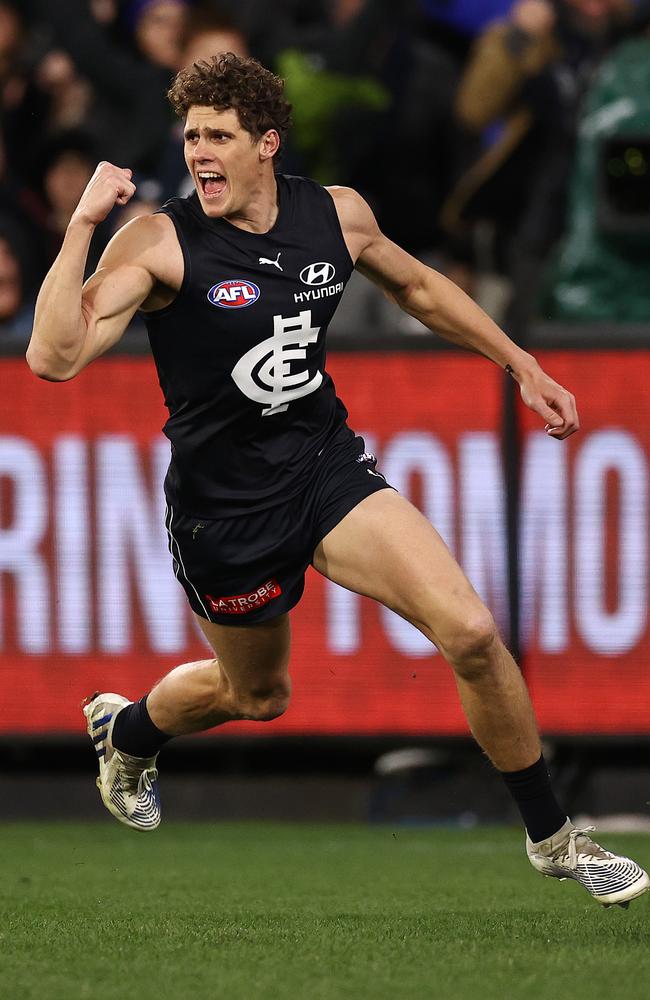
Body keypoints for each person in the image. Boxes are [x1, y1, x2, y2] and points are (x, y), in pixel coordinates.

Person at [26, 53, 647, 908]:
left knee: (468, 630)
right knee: (258, 694)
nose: (199, 151)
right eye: (191, 134)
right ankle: (128, 732)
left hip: (324, 468)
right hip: (225, 511)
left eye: (219, 136)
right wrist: (84, 223)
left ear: (266, 145)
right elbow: (53, 356)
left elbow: (421, 287)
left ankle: (553, 838)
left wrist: (519, 363)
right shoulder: (160, 240)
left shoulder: (336, 216)